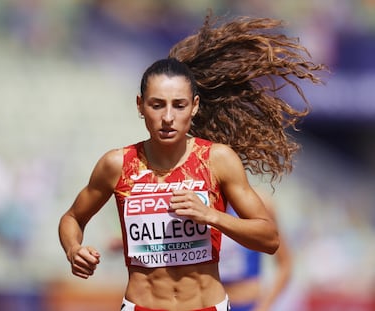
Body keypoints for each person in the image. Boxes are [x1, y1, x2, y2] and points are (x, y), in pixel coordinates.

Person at [58, 11, 324, 311]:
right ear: (140, 106)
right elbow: (71, 219)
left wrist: (212, 216)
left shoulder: (218, 160)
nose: (168, 117)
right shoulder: (116, 164)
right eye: (157, 105)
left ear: (194, 107)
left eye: (179, 105)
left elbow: (270, 238)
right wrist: (73, 249)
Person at [219, 193, 292, 311]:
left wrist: (264, 306)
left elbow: (285, 263)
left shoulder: (259, 203)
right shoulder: (204, 203)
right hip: (212, 303)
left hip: (248, 304)